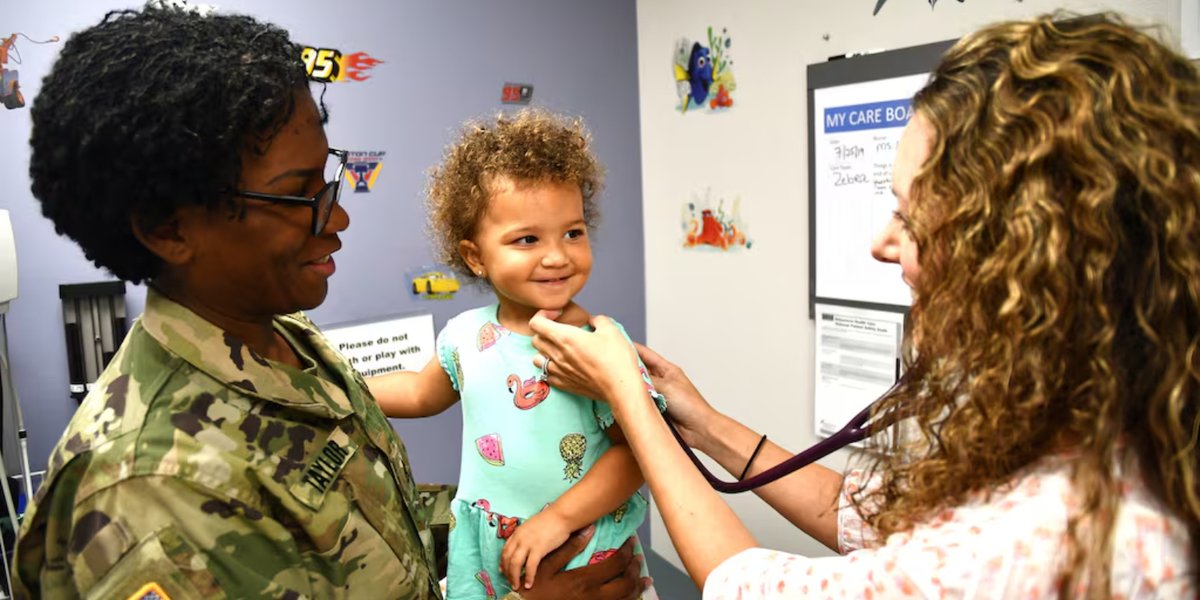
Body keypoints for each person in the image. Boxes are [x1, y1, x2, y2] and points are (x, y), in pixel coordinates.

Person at [529, 13, 1199, 598]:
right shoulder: (1109, 425)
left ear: (1027, 255)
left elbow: (747, 586)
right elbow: (869, 516)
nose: (881, 244)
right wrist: (701, 424)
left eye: (911, 219)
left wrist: (626, 394)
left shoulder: (1063, 530)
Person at [12, 5, 646, 599]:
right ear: (169, 228)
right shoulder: (147, 496)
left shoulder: (287, 339)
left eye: (329, 179)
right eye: (299, 194)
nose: (338, 216)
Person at [368, 109, 663, 599]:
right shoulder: (464, 334)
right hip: (486, 550)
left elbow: (637, 452)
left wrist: (558, 519)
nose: (556, 255)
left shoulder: (595, 344)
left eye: (572, 232)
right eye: (527, 239)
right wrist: (340, 385)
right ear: (475, 256)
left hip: (577, 545)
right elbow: (421, 392)